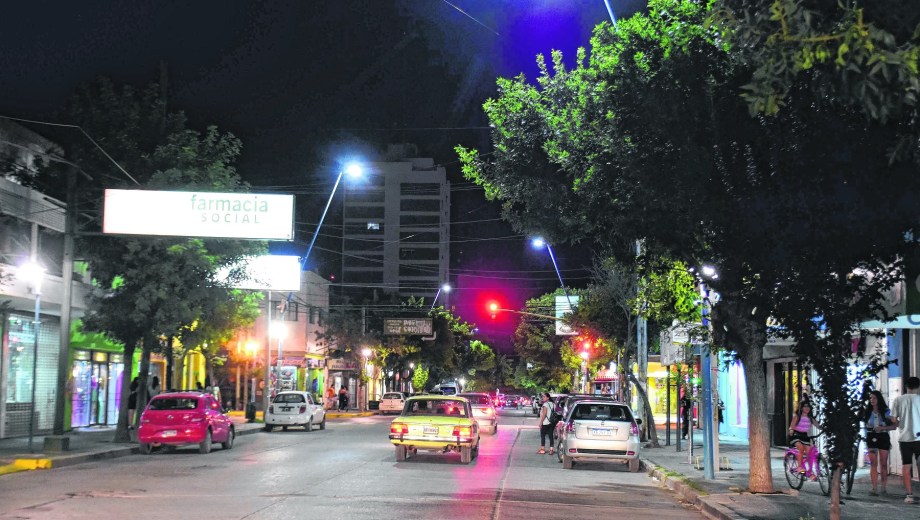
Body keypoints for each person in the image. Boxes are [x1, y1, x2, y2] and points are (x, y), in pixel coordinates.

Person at [891, 376, 920, 504]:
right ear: (918, 387)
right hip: (919, 437)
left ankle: (909, 495)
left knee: (906, 466)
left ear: (906, 386)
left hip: (904, 438)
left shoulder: (898, 400)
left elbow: (893, 420)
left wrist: (901, 423)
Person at [864, 390, 894, 496]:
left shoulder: (886, 411)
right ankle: (874, 487)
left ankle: (884, 486)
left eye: (874, 398)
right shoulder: (867, 411)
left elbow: (894, 426)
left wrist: (882, 428)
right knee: (873, 463)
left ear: (879, 399)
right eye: (871, 398)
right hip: (871, 436)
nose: (872, 400)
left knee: (883, 463)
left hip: (883, 436)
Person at [788, 401, 817, 476]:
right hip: (796, 435)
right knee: (800, 448)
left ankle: (810, 471)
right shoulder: (797, 416)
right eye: (805, 406)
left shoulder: (810, 418)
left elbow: (818, 425)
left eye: (808, 406)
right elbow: (792, 426)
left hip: (804, 436)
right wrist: (791, 430)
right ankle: (799, 467)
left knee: (809, 453)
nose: (807, 408)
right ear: (801, 408)